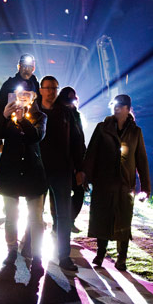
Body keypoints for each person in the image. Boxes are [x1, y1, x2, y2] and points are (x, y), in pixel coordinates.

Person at [78, 94, 151, 271]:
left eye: (121, 106)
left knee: (124, 220)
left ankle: (122, 258)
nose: (117, 108)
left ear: (128, 108)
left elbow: (141, 159)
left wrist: (146, 187)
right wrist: (86, 174)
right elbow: (92, 153)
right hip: (104, 181)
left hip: (125, 184)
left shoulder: (135, 131)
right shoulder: (103, 128)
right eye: (115, 105)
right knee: (102, 217)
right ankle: (100, 253)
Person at [38, 76, 86, 271]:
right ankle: (32, 252)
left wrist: (80, 168)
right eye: (47, 88)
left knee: (64, 215)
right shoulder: (32, 110)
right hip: (38, 169)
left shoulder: (66, 113)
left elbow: (77, 141)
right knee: (34, 214)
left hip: (61, 170)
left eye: (54, 88)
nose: (50, 91)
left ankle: (63, 256)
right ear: (40, 89)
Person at [0, 86, 48, 262]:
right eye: (20, 94)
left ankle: (37, 253)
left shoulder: (40, 116)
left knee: (36, 218)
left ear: (33, 97)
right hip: (11, 171)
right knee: (11, 216)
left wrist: (22, 120)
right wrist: (3, 116)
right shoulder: (7, 115)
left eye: (27, 94)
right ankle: (11, 249)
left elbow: (36, 136)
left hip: (32, 172)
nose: (23, 97)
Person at [58, 86, 87, 224]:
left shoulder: (76, 115)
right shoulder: (59, 114)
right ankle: (61, 223)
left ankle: (69, 220)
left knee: (79, 192)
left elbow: (80, 138)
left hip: (75, 161)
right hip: (62, 161)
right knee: (60, 195)